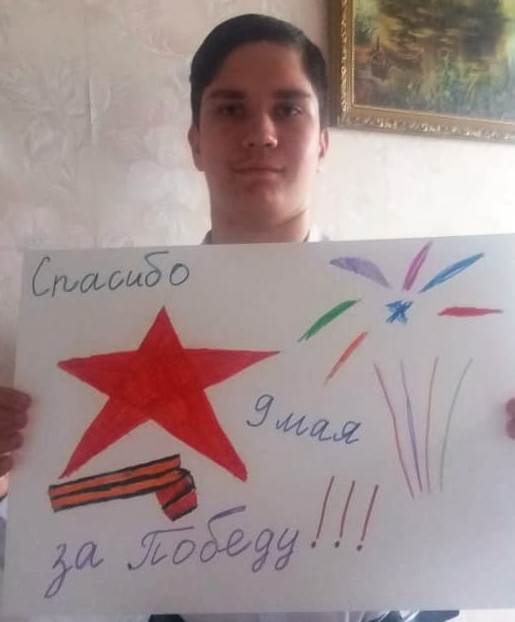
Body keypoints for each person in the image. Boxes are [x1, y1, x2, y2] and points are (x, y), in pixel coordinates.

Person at [0, 12, 511, 622]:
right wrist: (8, 484)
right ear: (196, 141)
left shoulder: (432, 327)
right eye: (230, 109)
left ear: (323, 141)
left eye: (288, 109)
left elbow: (460, 538)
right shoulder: (95, 325)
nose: (261, 133)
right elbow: (62, 557)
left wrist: (497, 449)